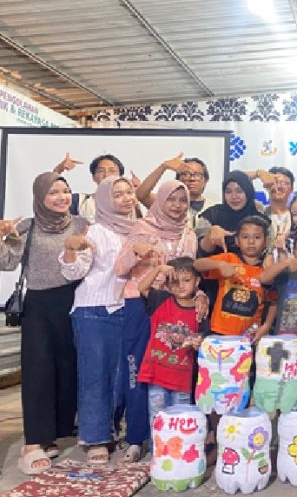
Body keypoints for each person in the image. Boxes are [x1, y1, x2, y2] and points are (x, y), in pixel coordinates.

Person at [0, 172, 88, 474]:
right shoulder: (28, 226)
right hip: (39, 307)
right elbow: (4, 263)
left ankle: (57, 431)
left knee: (69, 369)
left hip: (75, 302)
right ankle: (33, 443)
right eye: (53, 192)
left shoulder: (82, 225)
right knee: (39, 371)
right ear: (41, 197)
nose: (61, 197)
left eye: (65, 191)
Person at [114, 180, 200, 460]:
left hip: (176, 308)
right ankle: (138, 437)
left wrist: (200, 297)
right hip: (141, 303)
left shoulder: (189, 234)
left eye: (182, 200)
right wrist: (139, 250)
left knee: (173, 368)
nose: (176, 205)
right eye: (171, 199)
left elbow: (191, 273)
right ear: (159, 201)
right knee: (139, 369)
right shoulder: (142, 228)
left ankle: (172, 437)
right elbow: (120, 267)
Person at [59, 175, 138, 464]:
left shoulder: (136, 230)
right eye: (118, 195)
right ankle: (95, 439)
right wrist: (70, 250)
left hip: (125, 310)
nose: (126, 198)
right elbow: (73, 272)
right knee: (96, 377)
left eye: (129, 192)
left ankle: (112, 430)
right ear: (105, 200)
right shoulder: (95, 231)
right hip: (94, 310)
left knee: (119, 377)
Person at [137, 257, 203, 429]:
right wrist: (158, 268)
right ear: (167, 284)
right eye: (174, 281)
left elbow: (202, 338)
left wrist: (198, 343)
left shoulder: (200, 309)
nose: (180, 286)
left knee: (180, 420)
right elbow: (142, 287)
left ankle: (177, 454)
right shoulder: (161, 300)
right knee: (157, 418)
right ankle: (157, 453)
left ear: (197, 281)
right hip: (157, 374)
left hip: (183, 378)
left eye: (186, 280)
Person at [194, 215, 276, 340]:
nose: (251, 241)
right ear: (237, 240)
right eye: (245, 237)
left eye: (257, 237)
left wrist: (267, 325)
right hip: (219, 332)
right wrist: (219, 264)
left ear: (265, 242)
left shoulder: (267, 269)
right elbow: (196, 265)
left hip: (248, 336)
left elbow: (273, 300)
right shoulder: (228, 259)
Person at [136, 153, 216, 231]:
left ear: (205, 180)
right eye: (186, 174)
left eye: (197, 175)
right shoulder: (166, 202)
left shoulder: (214, 208)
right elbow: (141, 195)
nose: (191, 179)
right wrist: (163, 167)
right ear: (178, 180)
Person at [53, 152, 137, 223]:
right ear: (93, 177)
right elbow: (52, 203)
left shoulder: (130, 202)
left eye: (112, 171)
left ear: (120, 177)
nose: (106, 175)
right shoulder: (80, 201)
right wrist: (57, 171)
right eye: (101, 171)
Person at [197, 170, 265, 257]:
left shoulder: (260, 218)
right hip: (216, 268)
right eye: (228, 192)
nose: (234, 196)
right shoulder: (212, 215)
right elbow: (199, 254)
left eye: (239, 191)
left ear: (248, 192)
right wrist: (210, 237)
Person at [247, 166, 295, 247]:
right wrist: (258, 173)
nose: (279, 187)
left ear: (292, 188)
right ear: (266, 185)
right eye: (275, 182)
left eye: (284, 183)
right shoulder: (258, 210)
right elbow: (237, 179)